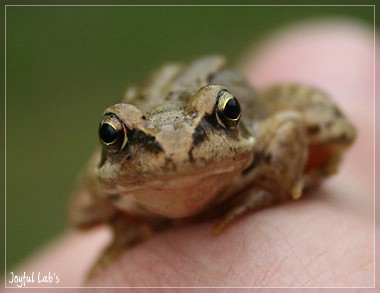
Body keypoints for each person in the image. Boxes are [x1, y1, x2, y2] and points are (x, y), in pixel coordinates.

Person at [11, 19, 375, 287]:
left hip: (227, 99)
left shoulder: (258, 137)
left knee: (333, 129)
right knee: (83, 213)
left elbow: (288, 125)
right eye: (115, 136)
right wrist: (123, 221)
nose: (175, 154)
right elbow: (83, 210)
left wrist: (272, 187)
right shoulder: (103, 183)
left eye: (225, 115)